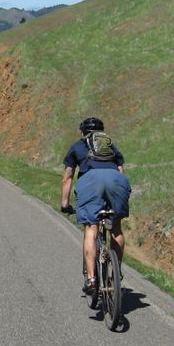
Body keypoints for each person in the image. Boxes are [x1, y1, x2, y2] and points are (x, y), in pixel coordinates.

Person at [65, 118, 131, 294]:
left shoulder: (78, 146)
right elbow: (120, 171)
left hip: (91, 181)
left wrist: (64, 203)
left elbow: (68, 176)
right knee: (116, 228)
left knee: (91, 228)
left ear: (82, 132)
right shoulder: (111, 146)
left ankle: (92, 279)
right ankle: (116, 272)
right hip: (117, 181)